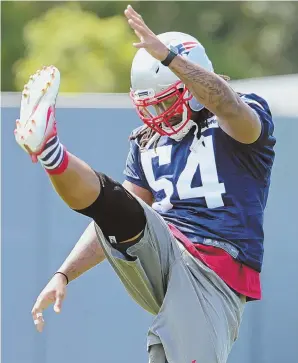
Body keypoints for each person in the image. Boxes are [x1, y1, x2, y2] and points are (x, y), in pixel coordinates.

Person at [15, 5, 275, 363]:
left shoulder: (238, 118)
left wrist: (170, 59)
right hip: (162, 249)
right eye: (151, 105)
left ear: (192, 87)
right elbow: (118, 210)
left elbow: (227, 103)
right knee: (120, 210)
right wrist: (64, 273)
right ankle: (51, 152)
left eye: (167, 101)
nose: (158, 115)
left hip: (215, 270)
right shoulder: (147, 142)